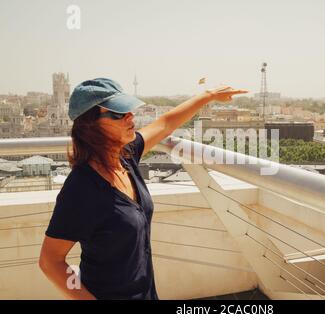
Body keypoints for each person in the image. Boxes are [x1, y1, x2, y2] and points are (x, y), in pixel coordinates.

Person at [38, 78, 247, 300]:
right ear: (90, 125)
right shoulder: (81, 189)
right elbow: (50, 261)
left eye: (128, 109)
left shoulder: (125, 158)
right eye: (118, 113)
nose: (130, 116)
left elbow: (165, 124)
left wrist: (209, 95)